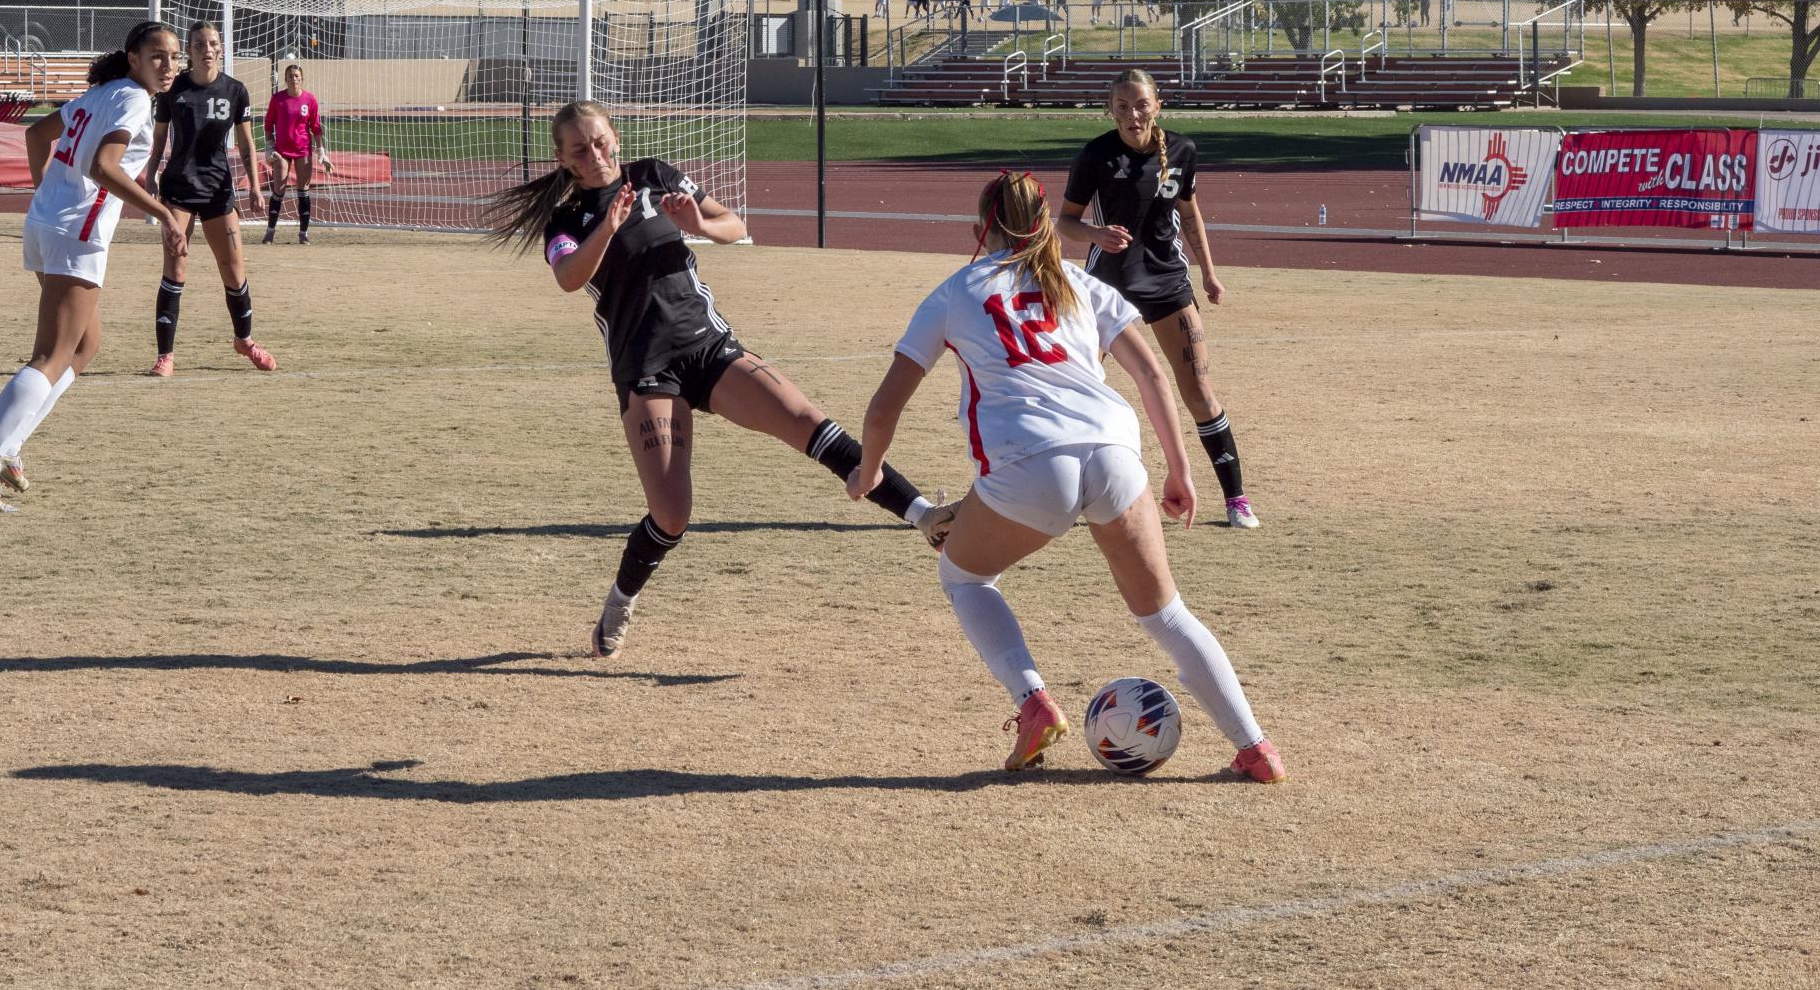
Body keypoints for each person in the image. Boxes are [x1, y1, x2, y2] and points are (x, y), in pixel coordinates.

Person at [848, 171, 1284, 781]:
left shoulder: (954, 290)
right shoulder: (1080, 282)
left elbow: (883, 407)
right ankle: (1256, 748)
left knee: (965, 578)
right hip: (1113, 451)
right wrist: (1180, 469)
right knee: (1166, 615)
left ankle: (1033, 703)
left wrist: (868, 473)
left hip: (1031, 463)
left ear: (980, 233)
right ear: (1048, 226)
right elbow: (1155, 377)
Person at [484, 100, 955, 656]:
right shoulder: (567, 220)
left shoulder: (653, 176)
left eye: (601, 141)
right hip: (646, 370)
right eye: (580, 149)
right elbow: (568, 277)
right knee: (672, 513)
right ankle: (619, 600)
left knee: (807, 420)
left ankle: (927, 519)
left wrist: (700, 223)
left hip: (707, 347)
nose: (596, 155)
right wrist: (607, 229)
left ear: (616, 138)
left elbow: (736, 227)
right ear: (563, 159)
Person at [0, 22, 188, 513]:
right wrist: (163, 212)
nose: (167, 66)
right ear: (133, 58)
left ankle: (8, 449)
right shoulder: (133, 99)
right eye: (157, 56)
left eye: (173, 57)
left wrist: (46, 191)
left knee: (85, 345)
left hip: (49, 222)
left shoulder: (102, 91)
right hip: (75, 231)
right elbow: (103, 166)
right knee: (52, 354)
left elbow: (37, 133)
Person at [1057, 69, 1259, 529]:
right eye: (1123, 107)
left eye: (1141, 104)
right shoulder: (1096, 155)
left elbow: (1190, 213)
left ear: (1158, 105)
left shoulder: (1182, 151)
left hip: (1168, 281)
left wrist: (1208, 272)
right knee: (1081, 388)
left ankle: (1236, 499)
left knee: (1200, 391)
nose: (1133, 115)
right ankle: (1068, 493)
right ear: (1111, 110)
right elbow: (1064, 222)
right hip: (1106, 285)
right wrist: (1094, 233)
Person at [143, 23, 277, 377]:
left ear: (220, 48)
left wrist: (255, 187)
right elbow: (159, 140)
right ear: (189, 49)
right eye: (200, 43)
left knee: (234, 271)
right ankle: (165, 356)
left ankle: (244, 340)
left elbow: (247, 144)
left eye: (213, 43)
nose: (207, 49)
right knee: (176, 269)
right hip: (178, 189)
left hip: (218, 190)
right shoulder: (174, 89)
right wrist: (151, 174)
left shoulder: (235, 90)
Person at [263, 63, 333, 244]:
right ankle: (270, 232)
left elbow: (316, 127)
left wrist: (322, 153)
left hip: (303, 150)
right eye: (290, 76)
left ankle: (303, 234)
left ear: (302, 79)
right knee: (279, 189)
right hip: (282, 152)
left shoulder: (310, 99)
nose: (294, 79)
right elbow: (269, 124)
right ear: (285, 79)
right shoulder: (278, 99)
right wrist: (269, 147)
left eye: (296, 76)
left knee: (303, 191)